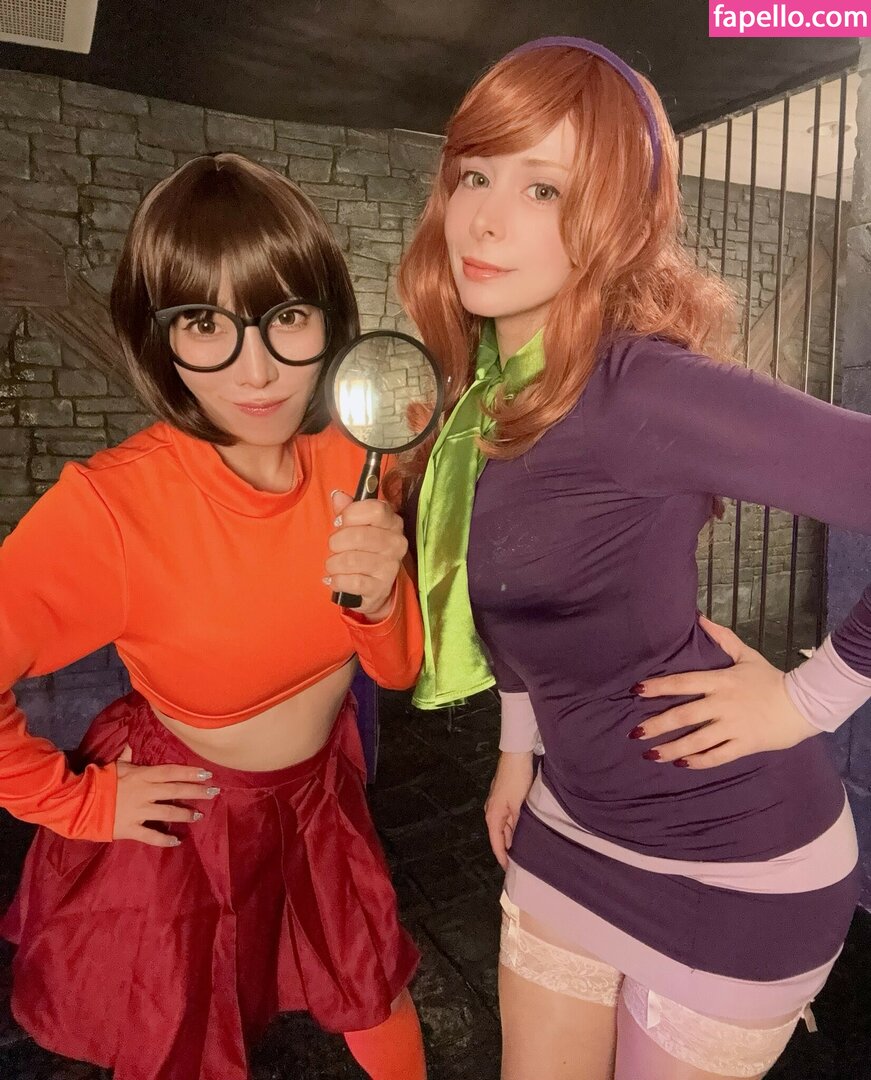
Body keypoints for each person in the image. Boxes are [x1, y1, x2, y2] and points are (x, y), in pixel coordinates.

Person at [399, 36, 871, 1080]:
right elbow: (518, 612)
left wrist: (812, 700)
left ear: (612, 218)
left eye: (543, 188)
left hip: (734, 869)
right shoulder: (490, 392)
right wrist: (516, 752)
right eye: (474, 174)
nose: (485, 218)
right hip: (569, 824)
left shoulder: (639, 389)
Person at [0, 153, 427, 1080]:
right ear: (159, 338)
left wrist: (383, 597)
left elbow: (396, 670)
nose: (256, 369)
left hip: (317, 799)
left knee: (369, 982)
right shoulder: (110, 509)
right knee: (192, 1032)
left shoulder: (359, 456)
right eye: (204, 324)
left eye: (287, 317)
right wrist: (77, 801)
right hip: (186, 818)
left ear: (329, 318)